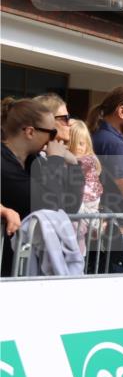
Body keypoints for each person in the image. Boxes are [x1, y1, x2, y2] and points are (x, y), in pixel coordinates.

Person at [1, 98, 84, 277]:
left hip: (22, 264)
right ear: (30, 132)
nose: (53, 140)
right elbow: (47, 204)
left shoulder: (34, 162)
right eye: (51, 133)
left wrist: (75, 165)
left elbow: (69, 206)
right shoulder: (4, 163)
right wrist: (55, 161)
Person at [68, 120, 104, 254]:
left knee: (79, 235)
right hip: (82, 206)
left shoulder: (85, 161)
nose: (78, 147)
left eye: (82, 143)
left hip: (86, 203)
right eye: (73, 143)